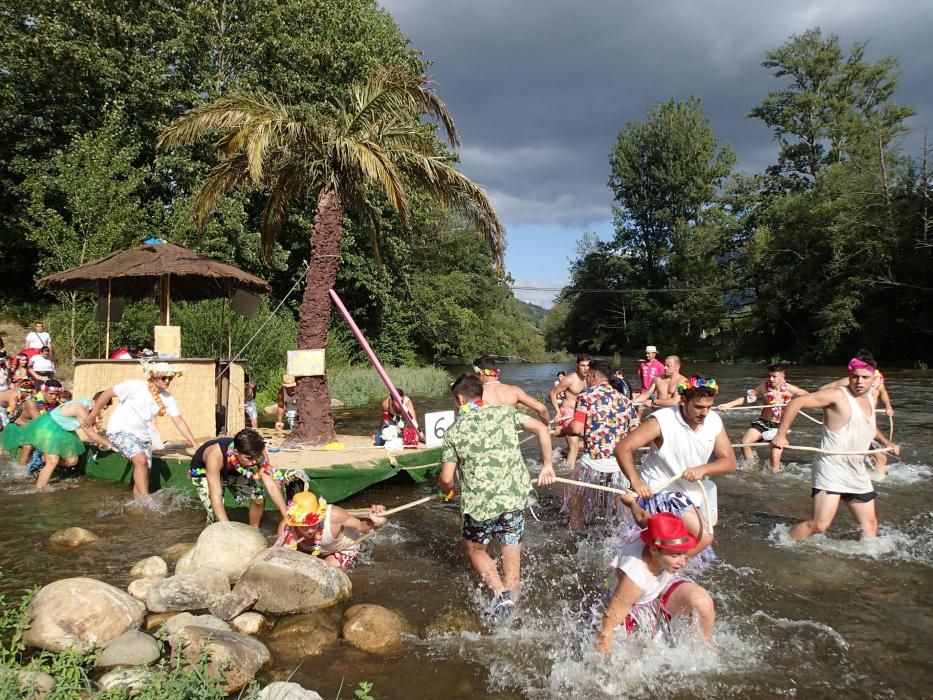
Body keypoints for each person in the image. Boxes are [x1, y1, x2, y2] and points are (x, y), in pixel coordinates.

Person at [439, 374, 555, 619]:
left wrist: (448, 490)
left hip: (479, 506)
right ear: (480, 394)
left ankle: (499, 594)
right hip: (513, 500)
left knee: (475, 549)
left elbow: (447, 478)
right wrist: (547, 466)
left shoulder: (454, 431)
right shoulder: (505, 413)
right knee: (511, 551)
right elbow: (542, 428)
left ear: (460, 399)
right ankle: (514, 610)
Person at [772, 356, 900, 542]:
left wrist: (887, 443)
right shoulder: (837, 395)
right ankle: (782, 543)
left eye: (865, 377)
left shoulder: (871, 399)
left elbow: (869, 428)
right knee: (819, 525)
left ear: (874, 379)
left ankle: (863, 563)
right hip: (831, 467)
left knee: (870, 527)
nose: (859, 382)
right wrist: (781, 434)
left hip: (856, 470)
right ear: (849, 376)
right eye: (855, 377)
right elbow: (795, 403)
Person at [615, 376, 736, 558]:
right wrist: (636, 482)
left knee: (686, 548)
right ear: (683, 400)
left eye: (708, 407)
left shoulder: (714, 421)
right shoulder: (661, 420)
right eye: (699, 407)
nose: (704, 413)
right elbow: (623, 448)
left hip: (692, 494)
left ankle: (660, 571)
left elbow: (729, 462)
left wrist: (703, 469)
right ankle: (666, 571)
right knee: (705, 538)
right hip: (660, 490)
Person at [596, 512, 715, 652]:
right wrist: (601, 665)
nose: (683, 561)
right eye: (676, 555)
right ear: (653, 550)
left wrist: (631, 504)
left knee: (702, 602)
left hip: (661, 587)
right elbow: (609, 623)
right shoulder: (634, 579)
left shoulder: (656, 535)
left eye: (684, 552)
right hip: (636, 606)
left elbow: (644, 518)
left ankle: (703, 652)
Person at [89, 362, 199, 499]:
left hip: (143, 436)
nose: (167, 381)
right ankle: (148, 502)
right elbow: (107, 393)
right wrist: (93, 415)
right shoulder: (134, 386)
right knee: (140, 460)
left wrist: (195, 444)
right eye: (164, 377)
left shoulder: (167, 398)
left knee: (144, 471)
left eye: (170, 378)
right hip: (120, 431)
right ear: (153, 376)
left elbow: (179, 421)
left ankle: (138, 507)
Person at [562, 360, 643, 531]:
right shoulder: (625, 400)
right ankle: (618, 535)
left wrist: (563, 430)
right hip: (619, 465)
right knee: (617, 505)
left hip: (593, 462)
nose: (586, 380)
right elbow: (637, 433)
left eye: (588, 376)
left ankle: (577, 533)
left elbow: (576, 428)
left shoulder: (586, 395)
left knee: (576, 502)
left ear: (593, 375)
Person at [717, 363, 809, 471]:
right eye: (769, 376)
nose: (771, 379)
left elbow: (808, 397)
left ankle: (774, 477)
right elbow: (748, 398)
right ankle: (751, 467)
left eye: (774, 376)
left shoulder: (790, 389)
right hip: (763, 422)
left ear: (782, 376)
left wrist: (794, 405)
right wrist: (728, 405)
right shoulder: (763, 386)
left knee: (775, 458)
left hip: (780, 427)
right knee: (745, 442)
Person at [188, 428, 288, 526]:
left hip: (235, 468)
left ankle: (254, 529)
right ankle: (208, 537)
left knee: (259, 497)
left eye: (256, 457)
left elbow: (271, 485)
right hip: (204, 471)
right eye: (249, 458)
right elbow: (216, 495)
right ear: (236, 453)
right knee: (214, 519)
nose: (254, 462)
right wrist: (229, 529)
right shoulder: (214, 457)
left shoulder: (258, 452)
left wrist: (286, 516)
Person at [820, 349, 895, 477]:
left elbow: (883, 392)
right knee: (880, 458)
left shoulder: (876, 379)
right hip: (853, 423)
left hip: (866, 422)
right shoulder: (851, 381)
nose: (860, 379)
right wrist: (837, 402)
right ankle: (878, 482)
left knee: (876, 457)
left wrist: (888, 407)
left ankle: (869, 477)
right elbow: (822, 390)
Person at [22, 390, 114, 489]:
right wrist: (111, 445)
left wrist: (104, 440)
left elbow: (96, 430)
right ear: (97, 401)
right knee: (52, 461)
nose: (104, 408)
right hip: (50, 427)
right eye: (103, 405)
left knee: (72, 461)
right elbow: (90, 434)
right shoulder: (80, 408)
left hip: (65, 430)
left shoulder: (90, 407)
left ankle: (42, 458)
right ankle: (39, 490)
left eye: (106, 407)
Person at [274, 490, 387, 569]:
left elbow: (360, 526)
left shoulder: (335, 516)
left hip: (343, 548)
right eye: (303, 526)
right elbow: (279, 556)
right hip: (314, 550)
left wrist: (374, 522)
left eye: (313, 524)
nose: (309, 530)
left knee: (328, 570)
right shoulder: (287, 528)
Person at [474, 356, 549, 423]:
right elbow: (542, 409)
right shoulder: (514, 391)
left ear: (480, 373)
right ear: (497, 373)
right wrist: (546, 426)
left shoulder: (474, 393)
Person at [549, 355, 591, 466]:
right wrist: (558, 412)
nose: (585, 368)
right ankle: (568, 475)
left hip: (581, 414)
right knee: (575, 447)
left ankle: (560, 451)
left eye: (587, 366)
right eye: (583, 365)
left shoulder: (590, 379)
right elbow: (553, 393)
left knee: (591, 439)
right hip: (567, 412)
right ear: (577, 365)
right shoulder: (570, 379)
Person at [15, 379, 65, 466]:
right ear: (43, 391)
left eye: (56, 395)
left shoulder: (56, 404)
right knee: (28, 445)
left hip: (37, 427)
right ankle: (20, 472)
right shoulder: (32, 401)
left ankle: (44, 462)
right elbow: (40, 423)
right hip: (19, 426)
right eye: (51, 394)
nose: (54, 397)